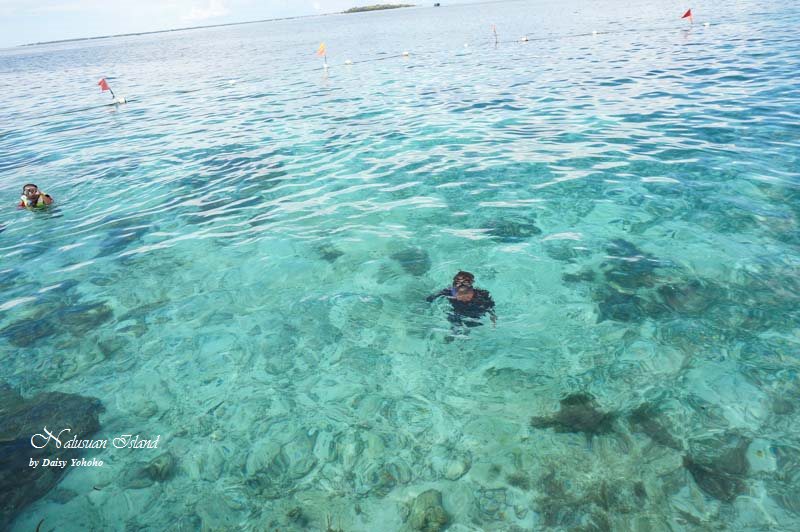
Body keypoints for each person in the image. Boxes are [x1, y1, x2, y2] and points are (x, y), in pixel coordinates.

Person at [427, 271, 497, 329]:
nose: (461, 284)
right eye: (458, 282)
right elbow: (430, 298)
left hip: (475, 314)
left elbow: (491, 309)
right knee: (455, 325)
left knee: (470, 326)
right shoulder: (448, 292)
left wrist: (493, 320)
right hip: (457, 314)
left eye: (465, 282)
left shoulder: (482, 294)